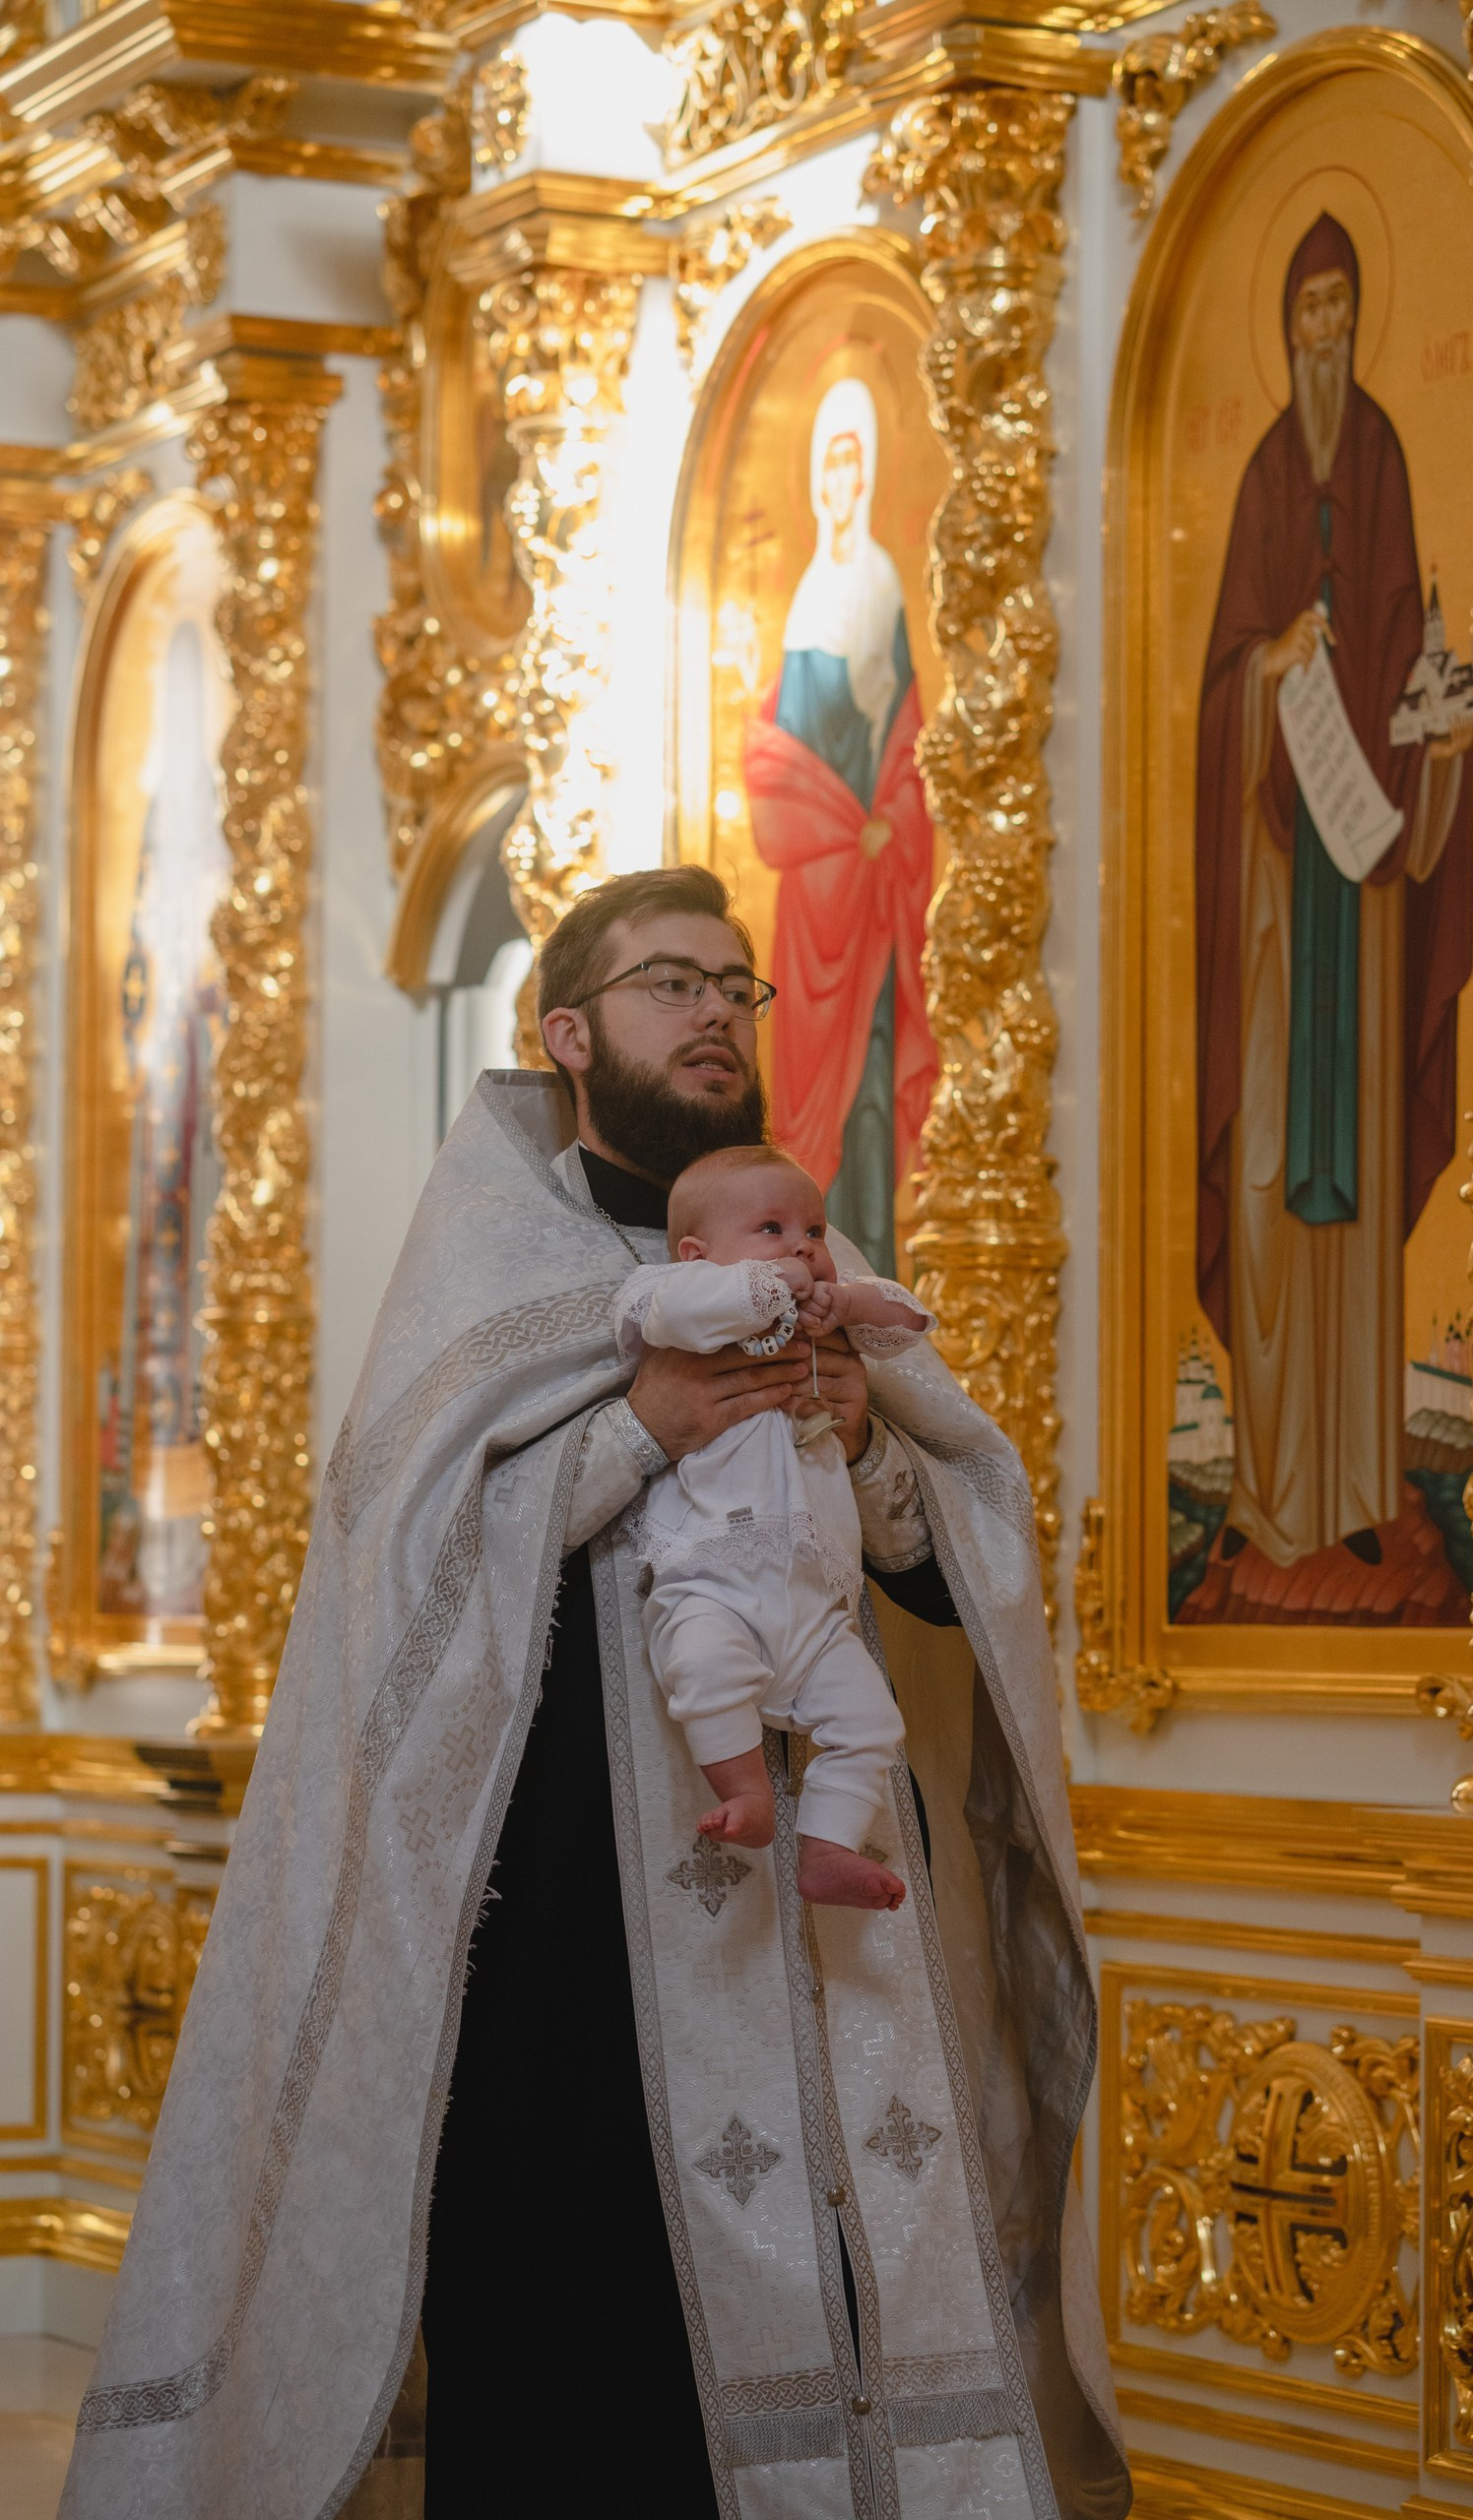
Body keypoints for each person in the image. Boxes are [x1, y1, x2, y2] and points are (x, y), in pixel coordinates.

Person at [60, 865, 1128, 2520]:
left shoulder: (805, 1251)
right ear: (567, 1032)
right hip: (572, 1917)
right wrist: (642, 1426)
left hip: (825, 1905)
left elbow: (945, 1566)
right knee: (584, 2338)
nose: (714, 1014)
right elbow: (405, 1566)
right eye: (669, 984)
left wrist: (862, 1438)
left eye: (734, 985)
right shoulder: (488, 1271)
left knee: (848, 2294)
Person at [1195, 211, 1473, 1575]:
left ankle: (1359, 1482)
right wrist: (1267, 668)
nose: (1324, 333)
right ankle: (1270, 1492)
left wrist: (1433, 735)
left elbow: (1412, 640)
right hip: (1269, 886)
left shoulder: (1381, 457)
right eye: (1307, 310)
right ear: (1284, 325)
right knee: (1266, 1178)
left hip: (1360, 897)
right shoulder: (1262, 472)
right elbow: (1217, 681)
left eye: (1339, 310)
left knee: (1352, 1202)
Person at [617, 1141, 935, 1910]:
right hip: (712, 1579)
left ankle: (827, 1846)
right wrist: (767, 1286)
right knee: (704, 1670)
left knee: (871, 1722)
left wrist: (848, 1303)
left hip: (816, 1600)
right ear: (695, 1254)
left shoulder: (824, 1309)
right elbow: (676, 1314)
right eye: (771, 1229)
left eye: (814, 1231)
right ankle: (745, 1792)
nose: (802, 1247)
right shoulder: (668, 1291)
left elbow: (908, 1321)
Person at [743, 375, 938, 1276]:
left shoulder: (882, 582)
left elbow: (906, 735)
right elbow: (777, 747)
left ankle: (865, 1267)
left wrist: (882, 820)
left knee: (869, 1079)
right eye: (828, 463)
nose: (839, 481)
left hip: (865, 889)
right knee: (804, 1091)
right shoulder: (806, 593)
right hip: (810, 896)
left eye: (853, 463)